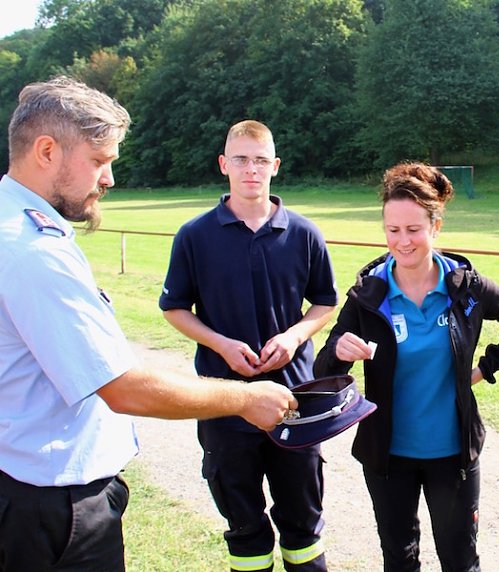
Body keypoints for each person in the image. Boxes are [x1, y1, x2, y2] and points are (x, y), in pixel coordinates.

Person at [0, 77, 298, 572]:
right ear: (47, 151)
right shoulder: (30, 248)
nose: (109, 178)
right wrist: (246, 399)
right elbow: (123, 388)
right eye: (99, 161)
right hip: (52, 507)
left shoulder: (18, 225)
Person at [313, 162, 499, 572]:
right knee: (399, 559)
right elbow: (322, 366)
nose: (403, 241)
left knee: (459, 558)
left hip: (452, 456)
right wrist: (340, 351)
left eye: (414, 230)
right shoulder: (368, 295)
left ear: (436, 227)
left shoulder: (465, 286)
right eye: (393, 230)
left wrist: (486, 368)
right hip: (387, 456)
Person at [159, 119, 338, 572]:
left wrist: (294, 336)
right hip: (225, 401)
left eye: (260, 160)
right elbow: (174, 308)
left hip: (294, 399)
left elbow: (324, 302)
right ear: (224, 165)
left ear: (275, 166)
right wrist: (220, 344)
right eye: (240, 159)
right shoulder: (195, 236)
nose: (251, 169)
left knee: (303, 523)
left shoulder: (304, 233)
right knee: (244, 524)